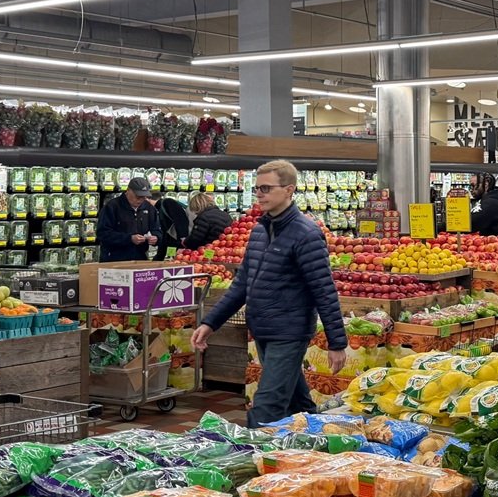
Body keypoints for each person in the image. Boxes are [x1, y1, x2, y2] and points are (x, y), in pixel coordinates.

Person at [191, 160, 346, 427]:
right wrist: (210, 322)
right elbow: (241, 285)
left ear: (289, 190)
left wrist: (337, 343)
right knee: (299, 404)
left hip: (289, 332)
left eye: (266, 188)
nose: (259, 194)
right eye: (256, 188)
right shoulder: (260, 231)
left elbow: (323, 289)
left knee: (266, 407)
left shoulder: (306, 234)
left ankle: (253, 463)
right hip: (262, 330)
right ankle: (320, 445)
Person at [97, 177, 161, 262]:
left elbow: (157, 229)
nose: (140, 200)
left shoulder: (149, 208)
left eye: (144, 197)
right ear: (128, 191)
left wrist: (156, 238)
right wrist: (129, 238)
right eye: (138, 196)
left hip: (139, 259)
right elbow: (102, 233)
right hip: (114, 260)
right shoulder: (112, 207)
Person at [152, 193, 190, 261]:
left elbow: (181, 221)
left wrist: (183, 242)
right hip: (172, 244)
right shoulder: (158, 209)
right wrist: (158, 258)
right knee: (171, 260)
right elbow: (165, 234)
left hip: (179, 243)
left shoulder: (167, 202)